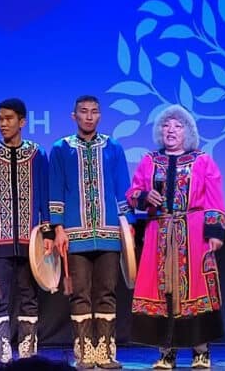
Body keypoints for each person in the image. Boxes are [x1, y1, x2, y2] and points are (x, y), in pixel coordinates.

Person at [126, 104, 225, 369]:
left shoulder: (202, 160)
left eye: (178, 125)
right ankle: (166, 352)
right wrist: (145, 196)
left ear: (188, 131)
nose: (171, 130)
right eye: (166, 125)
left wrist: (215, 232)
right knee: (163, 292)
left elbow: (214, 198)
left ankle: (201, 351)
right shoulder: (149, 160)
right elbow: (132, 194)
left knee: (195, 289)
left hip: (193, 232)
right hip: (158, 231)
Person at [48, 95, 133, 369]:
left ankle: (105, 352)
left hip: (109, 233)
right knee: (80, 293)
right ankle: (84, 353)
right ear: (74, 116)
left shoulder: (113, 147)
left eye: (94, 111)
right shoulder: (61, 148)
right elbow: (56, 190)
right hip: (74, 234)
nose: (88, 116)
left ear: (100, 116)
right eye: (83, 111)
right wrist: (58, 228)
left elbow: (123, 188)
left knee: (107, 292)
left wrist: (128, 223)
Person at [0, 98, 53, 365]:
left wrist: (47, 233)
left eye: (8, 118)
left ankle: (28, 358)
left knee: (29, 297)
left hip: (31, 241)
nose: (3, 123)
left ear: (22, 122)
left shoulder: (37, 154)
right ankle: (2, 358)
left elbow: (44, 196)